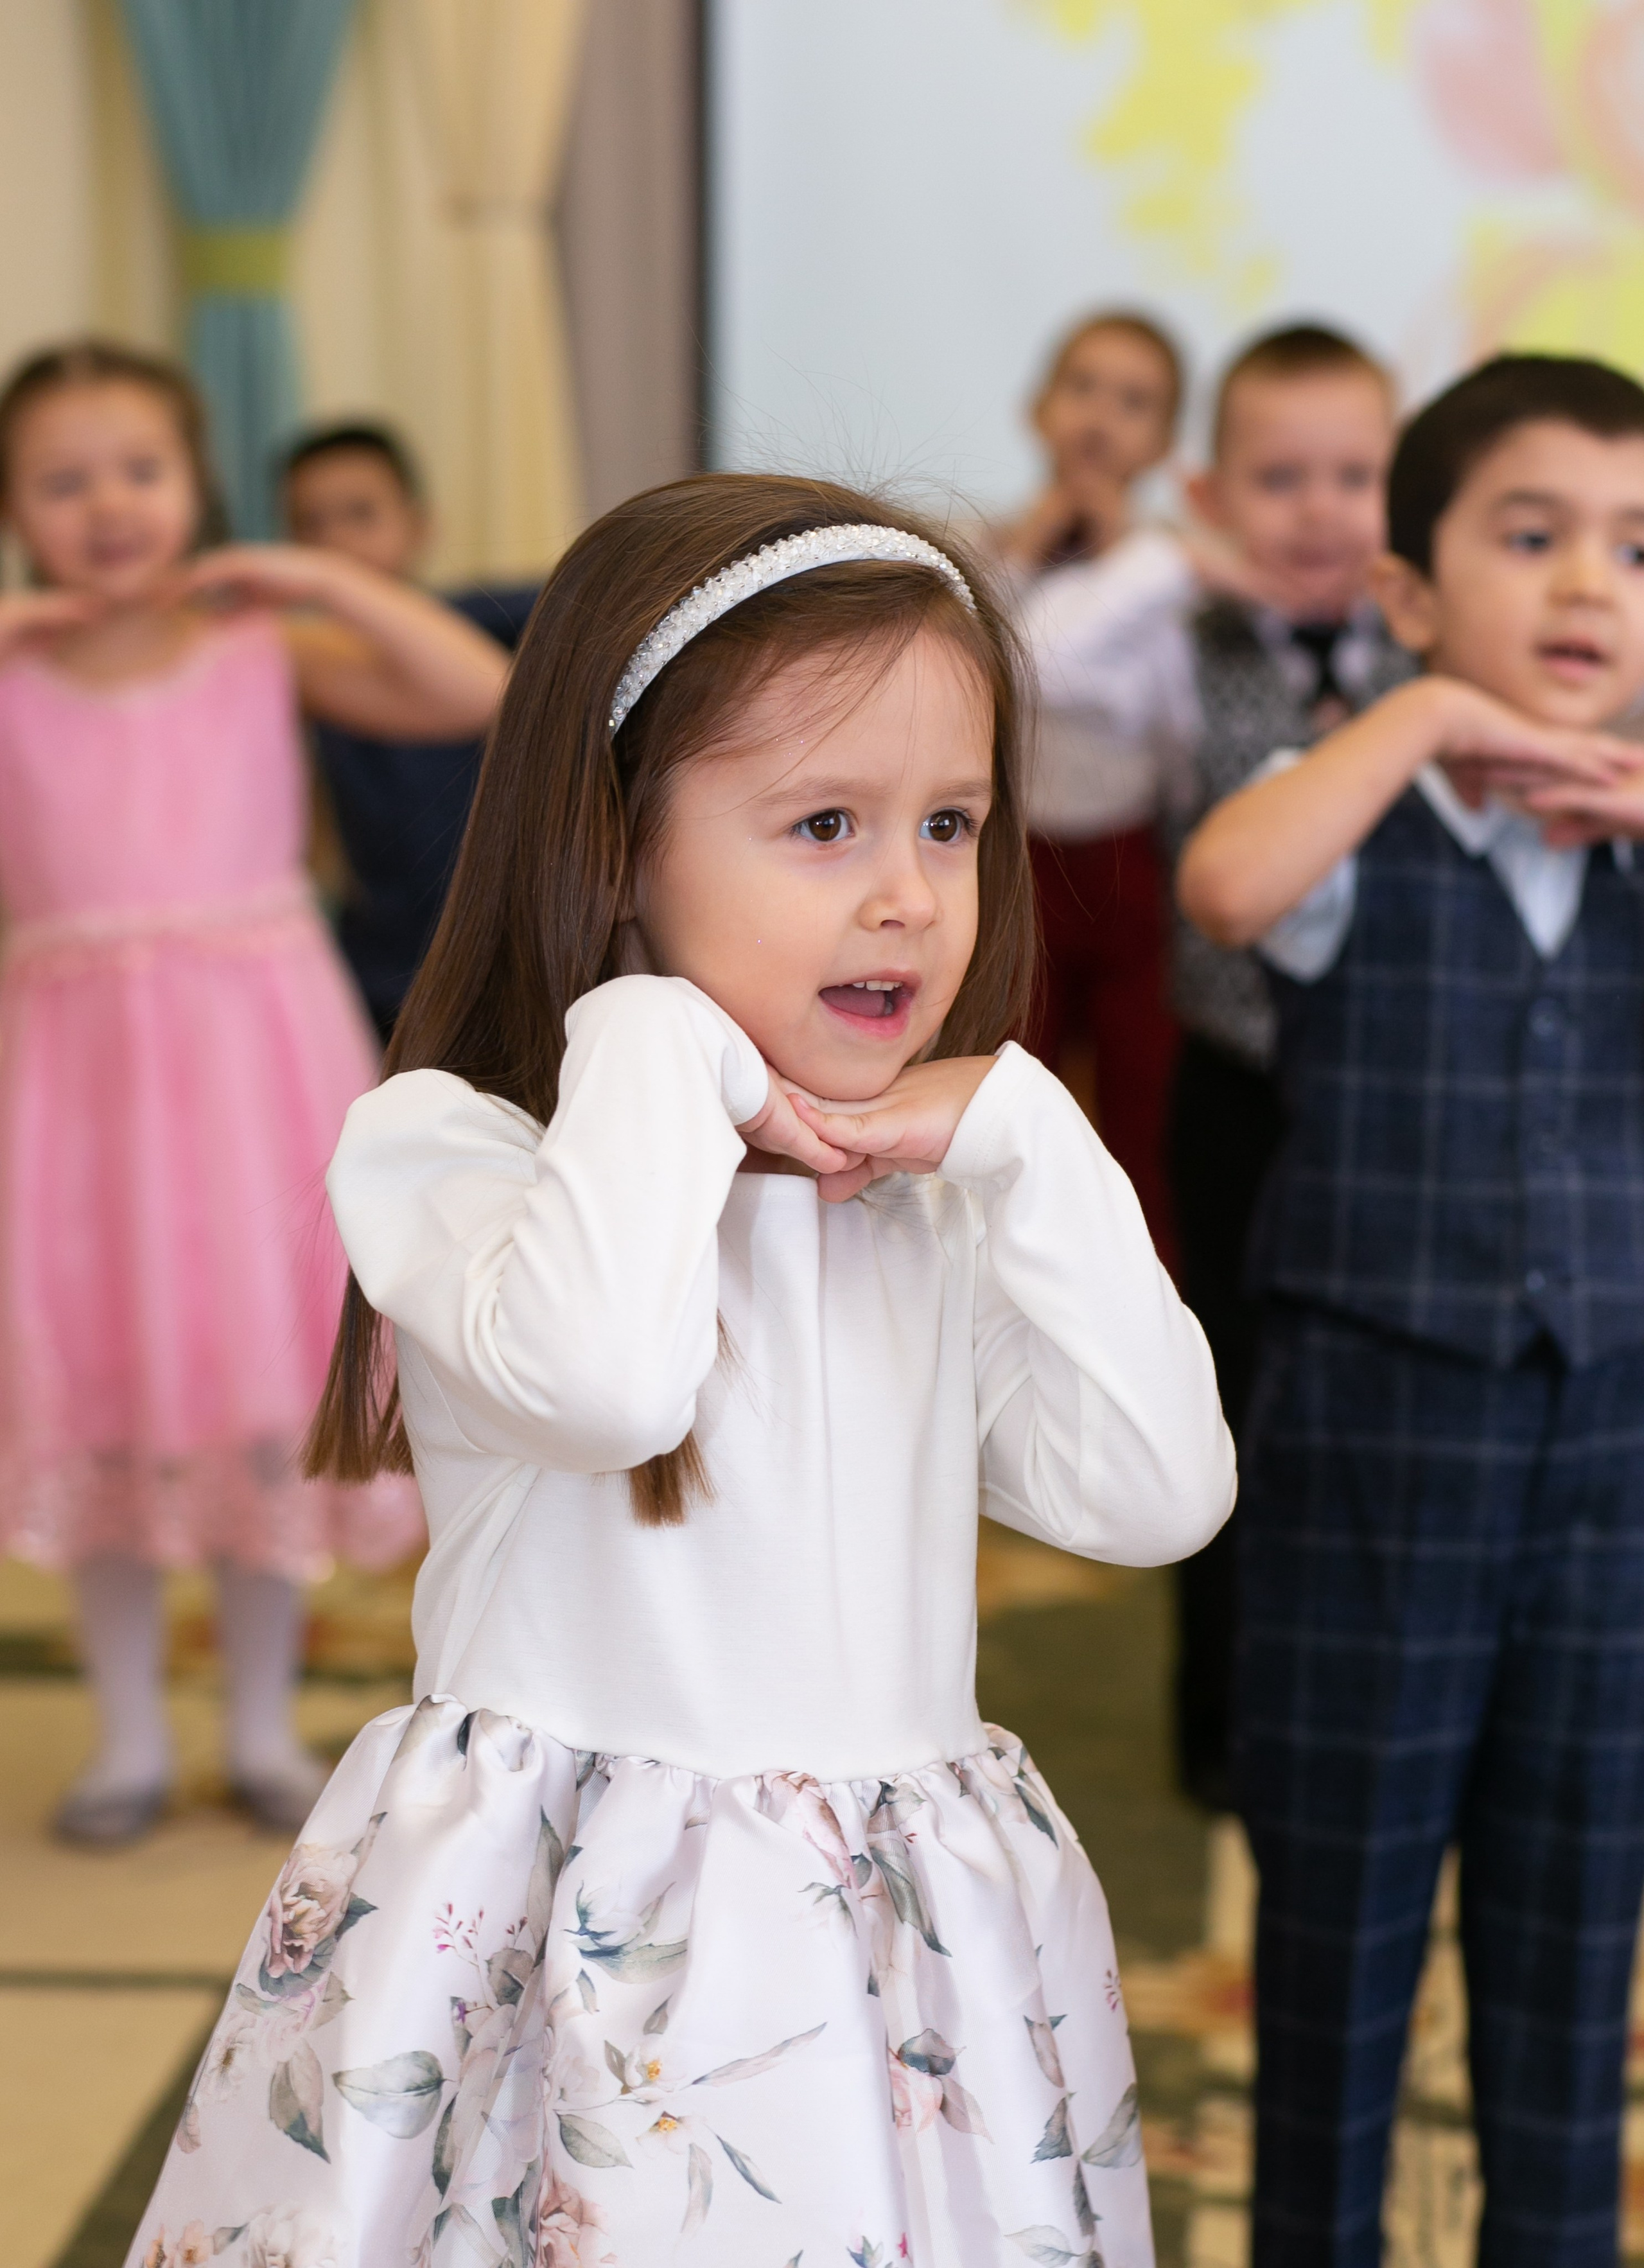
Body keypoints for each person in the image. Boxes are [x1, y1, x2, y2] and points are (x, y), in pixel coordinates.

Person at [127, 474, 1235, 2265]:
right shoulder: (461, 1151)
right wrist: (652, 1032)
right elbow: (607, 1385)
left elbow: (1160, 1491)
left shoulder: (921, 1201)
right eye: (823, 824)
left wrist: (1032, 1130)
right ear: (617, 838)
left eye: (950, 824)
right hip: (566, 1926)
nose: (907, 895)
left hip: (891, 1951)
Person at [1178, 353, 1644, 2262]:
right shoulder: (1348, 817)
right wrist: (1419, 717)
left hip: (1608, 1460)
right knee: (1340, 1924)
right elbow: (1221, 883)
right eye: (1526, 538)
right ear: (1404, 588)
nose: (1585, 586)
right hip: (1367, 1444)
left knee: (1573, 1917)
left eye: (1634, 548)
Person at [0, 341, 509, 1843]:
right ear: (21, 507)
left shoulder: (254, 649)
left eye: (140, 470)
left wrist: (322, 582)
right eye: (64, 480)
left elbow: (472, 689)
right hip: (77, 1080)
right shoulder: (16, 676)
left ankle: (263, 1723)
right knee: (105, 1378)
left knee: (252, 1382)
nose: (107, 506)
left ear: (196, 486)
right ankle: (131, 1738)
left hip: (253, 1063)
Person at [1020, 322, 1410, 1809]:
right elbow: (1040, 662)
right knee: (1228, 1391)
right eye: (1277, 480)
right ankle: (1223, 1722)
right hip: (1237, 1084)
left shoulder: (1427, 643)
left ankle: (1381, 1691)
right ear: (1210, 492)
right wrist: (1184, 566)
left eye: (1354, 476)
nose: (1316, 511)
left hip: (1393, 1098)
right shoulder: (1180, 648)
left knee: (1379, 1404)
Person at [997, 309, 1187, 1268]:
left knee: (1139, 1116)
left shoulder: (1169, 571)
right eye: (1083, 387)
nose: (1102, 417)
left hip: (1125, 863)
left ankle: (1149, 1305)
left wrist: (1110, 573)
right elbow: (981, 661)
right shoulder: (990, 549)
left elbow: (1158, 709)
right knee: (1002, 1093)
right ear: (1038, 408)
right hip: (1017, 865)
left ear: (1163, 440)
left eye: (1134, 400)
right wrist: (1025, 553)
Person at [280, 421, 539, 1040]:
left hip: (499, 951)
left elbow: (600, 593)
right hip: (375, 969)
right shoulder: (303, 664)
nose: (336, 541)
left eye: (360, 515)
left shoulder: (484, 622)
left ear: (419, 524)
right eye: (311, 524)